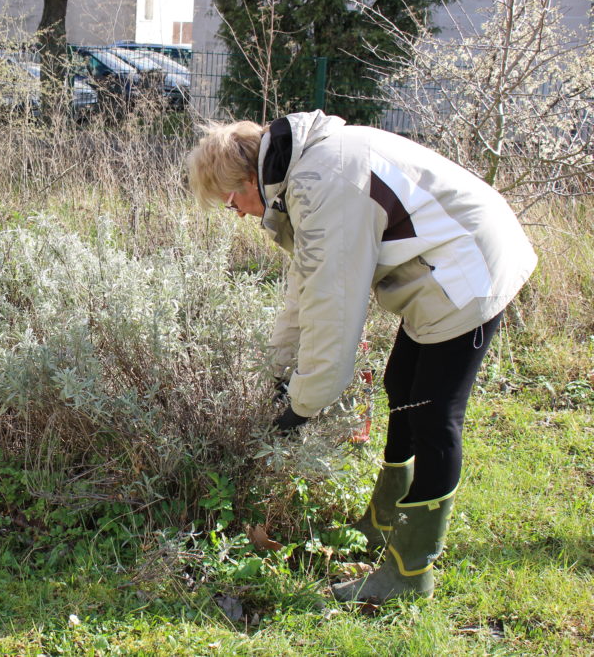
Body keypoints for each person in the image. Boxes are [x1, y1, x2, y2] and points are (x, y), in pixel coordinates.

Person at [186, 111, 537, 603]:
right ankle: (382, 521)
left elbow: (334, 310)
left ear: (249, 178)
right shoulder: (307, 175)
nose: (236, 211)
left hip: (469, 267)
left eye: (230, 201)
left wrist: (300, 408)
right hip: (440, 268)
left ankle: (409, 574)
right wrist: (278, 372)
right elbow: (305, 287)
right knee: (402, 387)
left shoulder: (323, 184)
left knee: (435, 414)